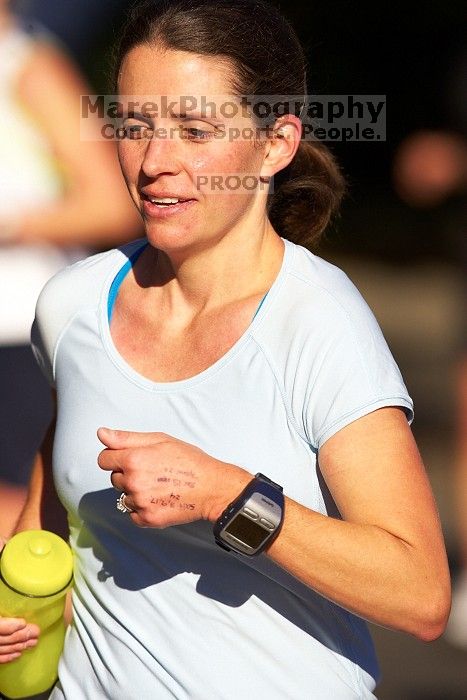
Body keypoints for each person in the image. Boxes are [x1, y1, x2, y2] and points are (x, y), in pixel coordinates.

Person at [0, 0, 451, 697]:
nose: (155, 162)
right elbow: (45, 536)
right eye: (136, 126)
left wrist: (227, 496)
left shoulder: (316, 323)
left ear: (275, 145)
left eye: (194, 129)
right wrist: (16, 618)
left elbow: (419, 595)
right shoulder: (73, 305)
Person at [0, 0, 141, 537]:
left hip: (20, 332)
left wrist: (10, 225)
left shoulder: (32, 67)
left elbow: (113, 200)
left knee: (24, 519)